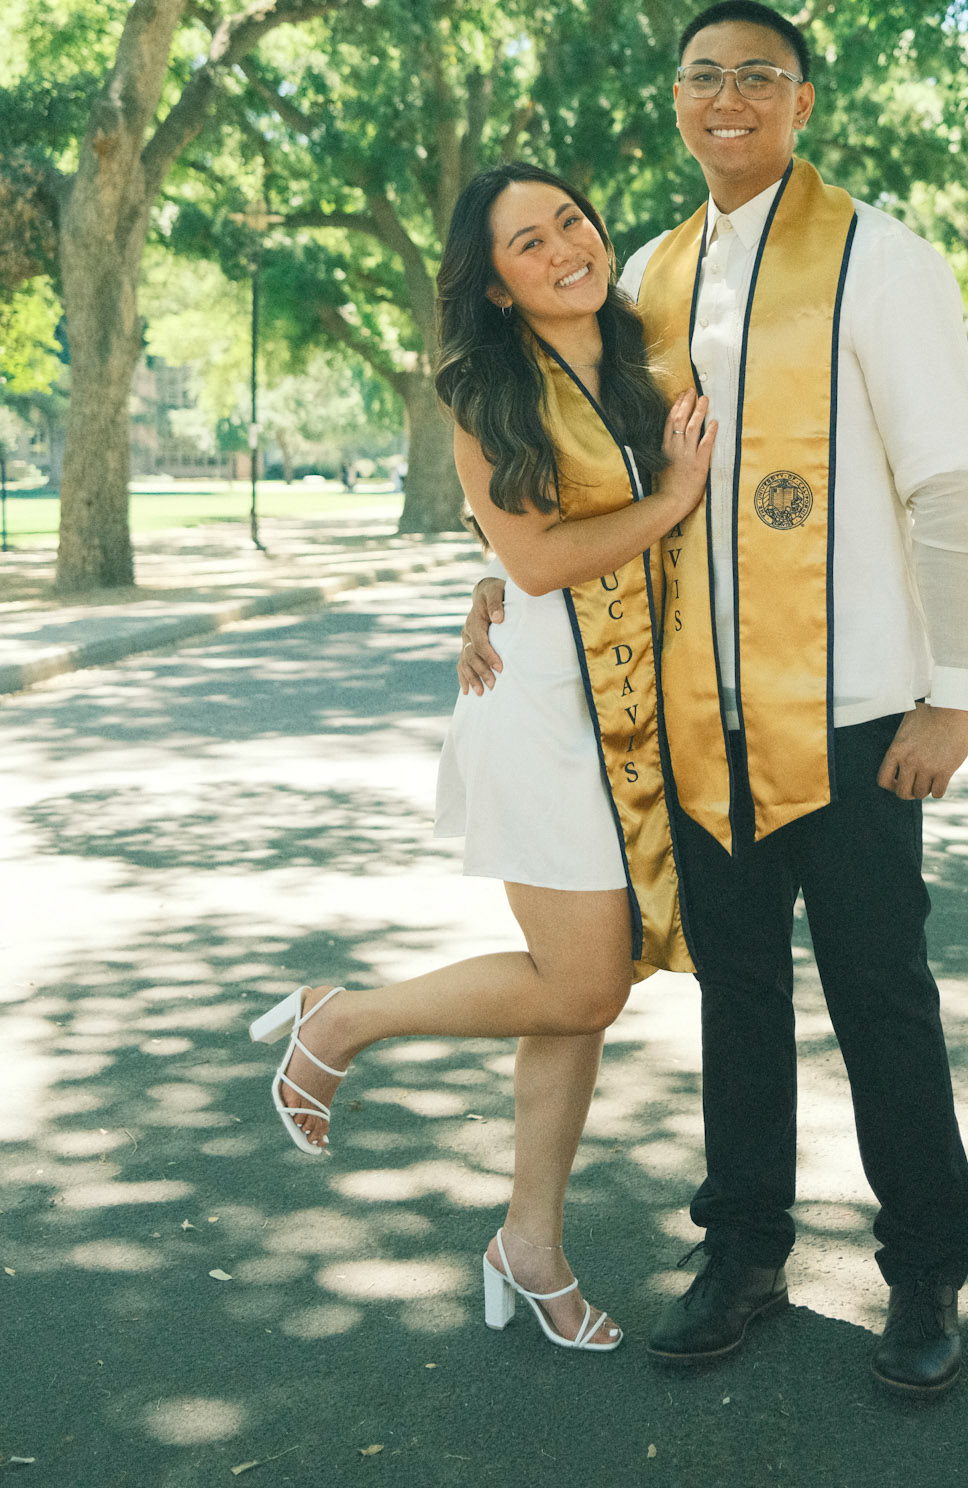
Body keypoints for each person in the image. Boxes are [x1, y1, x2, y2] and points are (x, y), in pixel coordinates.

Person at [459, 1, 968, 1396]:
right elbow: (583, 463)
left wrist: (956, 691)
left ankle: (925, 1265)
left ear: (802, 101)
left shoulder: (882, 259)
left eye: (759, 76)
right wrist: (496, 579)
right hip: (700, 709)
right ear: (678, 100)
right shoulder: (647, 270)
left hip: (858, 707)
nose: (730, 98)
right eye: (705, 75)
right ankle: (745, 1251)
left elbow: (950, 487)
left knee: (882, 995)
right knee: (738, 997)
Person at [249, 162, 714, 1355]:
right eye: (528, 243)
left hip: (638, 716)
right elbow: (544, 559)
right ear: (496, 284)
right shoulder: (483, 391)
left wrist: (490, 573)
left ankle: (531, 1242)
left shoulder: (648, 354)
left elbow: (525, 550)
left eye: (570, 219)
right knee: (585, 984)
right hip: (543, 712)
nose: (565, 246)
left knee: (580, 995)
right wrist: (667, 499)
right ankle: (343, 1018)